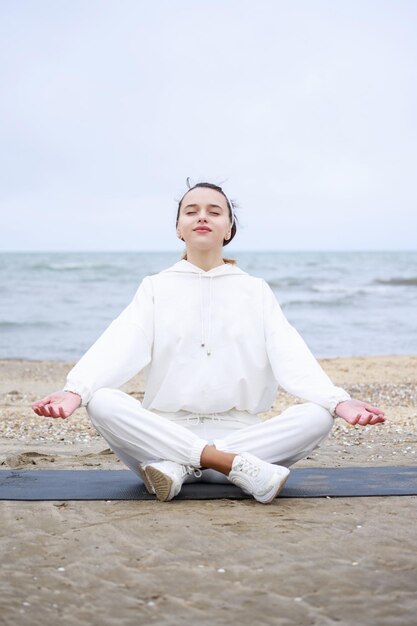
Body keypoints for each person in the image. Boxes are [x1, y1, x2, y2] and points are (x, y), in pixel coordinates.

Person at [32, 179, 386, 504]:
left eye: (214, 211)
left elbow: (287, 348)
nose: (202, 217)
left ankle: (184, 468)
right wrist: (77, 390)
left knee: (318, 416)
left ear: (228, 228)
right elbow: (122, 341)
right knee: (102, 401)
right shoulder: (155, 287)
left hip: (233, 435)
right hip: (166, 433)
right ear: (178, 228)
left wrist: (337, 401)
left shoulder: (254, 289)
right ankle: (228, 466)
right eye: (192, 211)